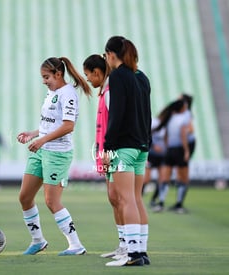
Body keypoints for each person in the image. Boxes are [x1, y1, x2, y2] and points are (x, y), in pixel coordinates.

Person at [17, 57, 91, 256]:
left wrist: (41, 140)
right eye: (43, 77)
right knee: (24, 197)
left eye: (46, 77)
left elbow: (68, 126)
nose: (44, 81)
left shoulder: (68, 94)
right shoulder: (52, 93)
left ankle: (76, 245)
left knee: (51, 201)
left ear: (58, 74)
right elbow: (50, 123)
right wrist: (34, 134)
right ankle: (38, 241)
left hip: (58, 153)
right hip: (41, 150)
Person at [102, 36, 151, 267]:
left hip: (124, 147)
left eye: (106, 55)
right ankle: (141, 251)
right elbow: (147, 114)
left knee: (126, 199)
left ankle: (132, 255)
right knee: (137, 198)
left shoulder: (119, 76)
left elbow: (117, 114)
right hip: (142, 147)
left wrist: (107, 147)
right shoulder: (141, 77)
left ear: (111, 54)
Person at [83, 54, 128, 260]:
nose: (88, 80)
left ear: (97, 72)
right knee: (113, 199)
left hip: (114, 152)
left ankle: (129, 245)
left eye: (88, 75)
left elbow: (115, 125)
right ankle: (123, 244)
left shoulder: (110, 92)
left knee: (119, 198)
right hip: (106, 152)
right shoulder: (104, 92)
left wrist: (108, 152)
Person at [152, 97, 193, 213]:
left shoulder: (169, 118)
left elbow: (165, 135)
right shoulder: (183, 118)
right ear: (181, 108)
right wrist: (186, 150)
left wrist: (167, 146)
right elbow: (183, 136)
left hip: (169, 150)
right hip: (179, 149)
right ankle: (179, 205)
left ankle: (160, 203)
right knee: (183, 178)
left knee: (164, 178)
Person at [143, 110, 167, 207]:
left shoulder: (166, 125)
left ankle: (154, 199)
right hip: (151, 154)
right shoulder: (154, 122)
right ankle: (138, 196)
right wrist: (153, 146)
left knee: (162, 178)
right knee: (147, 178)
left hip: (162, 155)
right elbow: (147, 135)